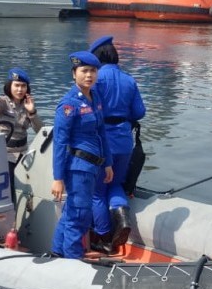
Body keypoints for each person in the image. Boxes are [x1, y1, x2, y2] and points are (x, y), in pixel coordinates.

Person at [51, 51, 113, 259]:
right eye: (84, 71)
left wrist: (108, 163)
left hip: (93, 166)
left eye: (93, 71)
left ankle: (58, 251)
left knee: (73, 212)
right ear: (74, 74)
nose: (89, 75)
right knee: (79, 215)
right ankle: (72, 258)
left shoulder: (95, 98)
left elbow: (101, 132)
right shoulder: (69, 105)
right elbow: (60, 142)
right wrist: (58, 178)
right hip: (77, 167)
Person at [88, 36, 146, 253]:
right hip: (124, 140)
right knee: (116, 184)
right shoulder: (129, 80)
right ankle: (122, 219)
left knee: (97, 191)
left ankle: (103, 236)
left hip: (103, 141)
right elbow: (140, 112)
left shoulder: (95, 80)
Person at [0, 68, 44, 200]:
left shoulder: (28, 105)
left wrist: (32, 112)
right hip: (5, 152)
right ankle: (12, 216)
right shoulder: (4, 102)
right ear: (10, 86)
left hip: (23, 152)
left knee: (35, 181)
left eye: (23, 86)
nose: (20, 90)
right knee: (9, 186)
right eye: (17, 86)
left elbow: (40, 130)